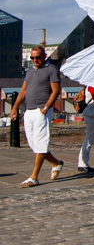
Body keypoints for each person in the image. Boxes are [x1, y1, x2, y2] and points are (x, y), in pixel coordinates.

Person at [10, 46, 64, 188]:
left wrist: (46, 108)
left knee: (40, 142)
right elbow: (23, 91)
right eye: (32, 58)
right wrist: (15, 107)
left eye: (38, 57)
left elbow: (56, 90)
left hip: (41, 111)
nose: (35, 60)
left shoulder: (51, 69)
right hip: (29, 111)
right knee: (33, 144)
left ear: (44, 56)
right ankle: (55, 163)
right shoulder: (29, 71)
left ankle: (34, 177)